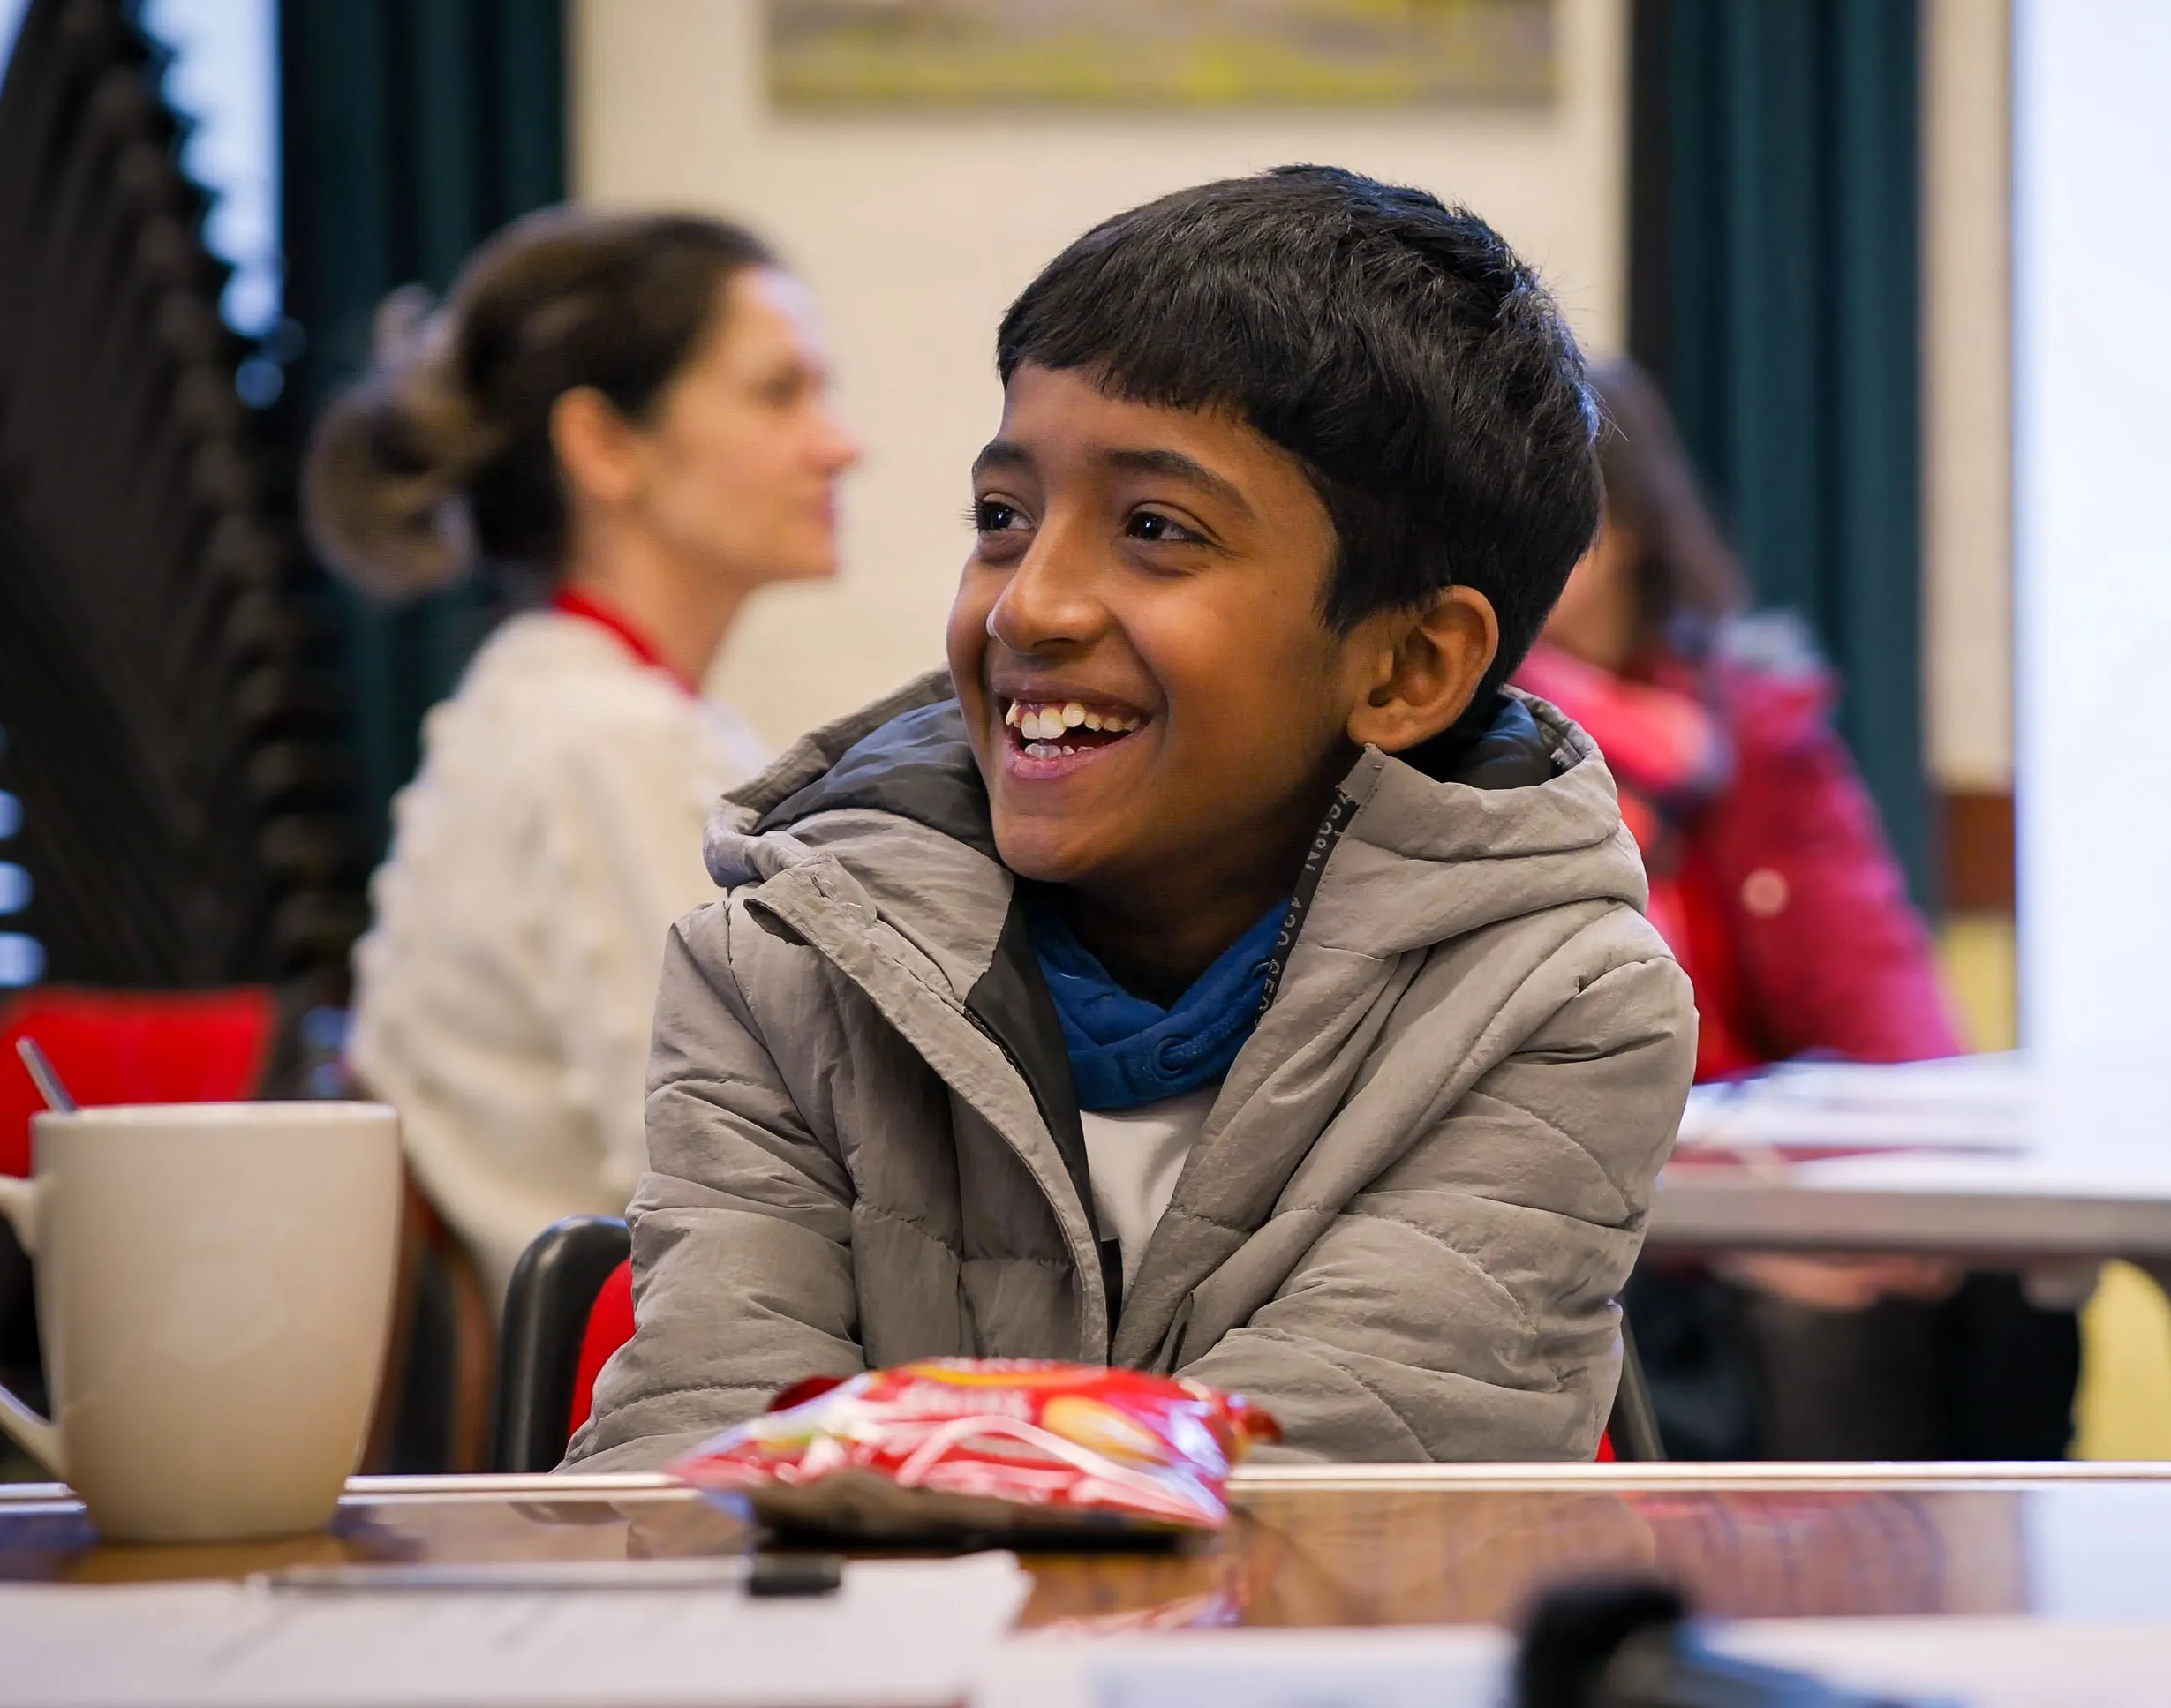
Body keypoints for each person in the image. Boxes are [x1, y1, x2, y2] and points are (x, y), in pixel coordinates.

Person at [566, 168, 1697, 1470]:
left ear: (1406, 670)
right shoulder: (779, 966)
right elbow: (697, 1480)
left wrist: (887, 1474)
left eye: (1157, 529)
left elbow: (1326, 1497)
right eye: (1002, 519)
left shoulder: (1562, 1004)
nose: (1026, 607)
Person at [1515, 359, 2083, 1461]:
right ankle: (1837, 1618)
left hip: (1766, 1174)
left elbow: (1888, 1012)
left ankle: (1973, 1612)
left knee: (2003, 1284)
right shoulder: (1460, 752)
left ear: (1627, 527)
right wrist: (1743, 1237)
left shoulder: (1761, 738)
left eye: (1555, 523)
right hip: (1626, 1212)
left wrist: (1911, 1204)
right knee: (1818, 1308)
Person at [304, 208, 860, 1298]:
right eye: (779, 392)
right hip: (597, 1430)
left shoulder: (566, 699)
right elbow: (725, 1190)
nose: (840, 443)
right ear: (604, 446)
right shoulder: (604, 740)